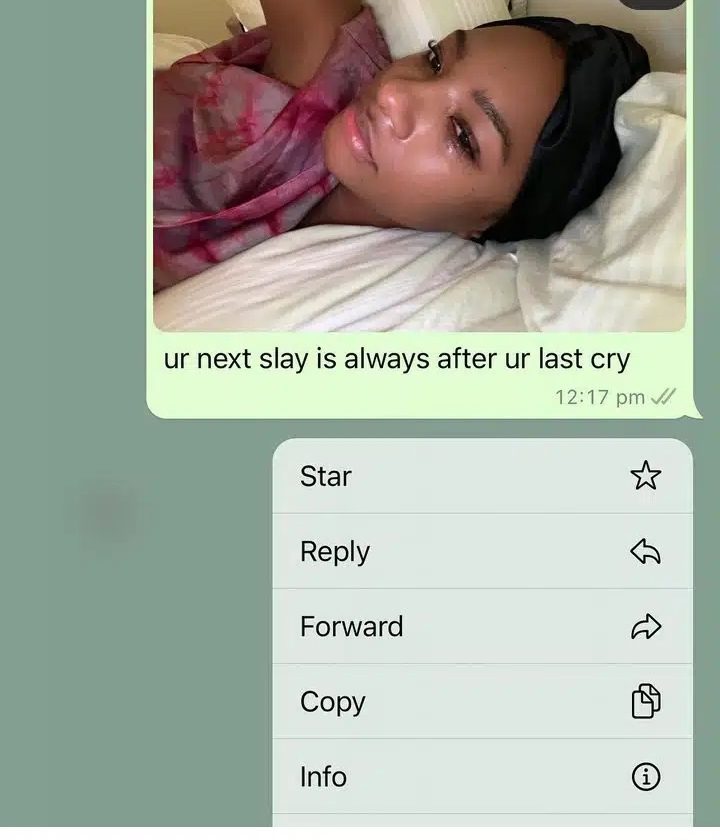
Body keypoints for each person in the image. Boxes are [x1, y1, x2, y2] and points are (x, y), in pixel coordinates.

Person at [153, 1, 649, 290]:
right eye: (435, 61)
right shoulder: (318, 81)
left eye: (461, 135)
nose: (394, 92)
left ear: (484, 224)